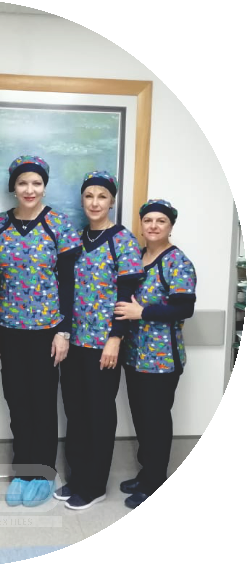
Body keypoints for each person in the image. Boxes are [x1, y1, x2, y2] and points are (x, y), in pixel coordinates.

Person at [0, 155, 82, 507]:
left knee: (42, 403)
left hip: (47, 330)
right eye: (23, 182)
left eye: (36, 183)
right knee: (16, 401)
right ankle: (23, 471)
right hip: (10, 329)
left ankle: (43, 473)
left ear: (44, 186)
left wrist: (63, 331)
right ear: (13, 186)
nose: (30, 189)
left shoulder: (58, 225)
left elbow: (69, 282)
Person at [55, 170, 144, 510]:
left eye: (102, 196)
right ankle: (77, 478)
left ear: (112, 201)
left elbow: (126, 295)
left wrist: (115, 339)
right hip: (74, 342)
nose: (95, 202)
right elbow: (66, 289)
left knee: (99, 412)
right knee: (75, 411)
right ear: (82, 200)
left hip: (103, 344)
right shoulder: (76, 240)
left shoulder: (122, 239)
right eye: (89, 196)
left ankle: (94, 485)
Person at [114, 199, 196, 509]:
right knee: (141, 418)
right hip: (136, 356)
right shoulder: (137, 257)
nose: (153, 225)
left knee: (156, 421)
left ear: (170, 226)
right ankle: (146, 472)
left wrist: (142, 312)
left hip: (162, 360)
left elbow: (184, 308)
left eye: (161, 221)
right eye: (148, 220)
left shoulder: (177, 262)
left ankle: (156, 482)